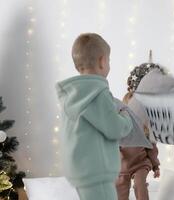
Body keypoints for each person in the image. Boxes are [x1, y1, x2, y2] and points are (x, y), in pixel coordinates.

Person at [55, 33, 132, 200]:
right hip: (97, 170)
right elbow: (114, 128)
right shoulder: (97, 93)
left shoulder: (73, 95)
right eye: (109, 60)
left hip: (80, 170)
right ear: (102, 61)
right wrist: (126, 117)